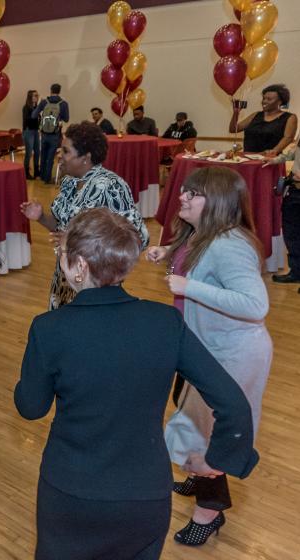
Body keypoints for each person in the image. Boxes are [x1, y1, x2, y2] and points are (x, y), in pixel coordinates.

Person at [16, 208, 258, 560]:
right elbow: (234, 404)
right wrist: (220, 459)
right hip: (145, 493)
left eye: (62, 254)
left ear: (80, 266)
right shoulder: (164, 322)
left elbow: (31, 407)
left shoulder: (49, 328)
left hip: (72, 492)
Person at [147, 166, 272, 545]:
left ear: (215, 201)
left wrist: (189, 286)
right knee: (190, 418)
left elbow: (255, 304)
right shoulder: (203, 234)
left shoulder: (229, 244)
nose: (181, 196)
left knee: (208, 436)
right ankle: (196, 474)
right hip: (200, 348)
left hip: (230, 354)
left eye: (192, 193)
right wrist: (167, 251)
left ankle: (209, 513)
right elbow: (193, 254)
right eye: (183, 190)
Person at [21, 122, 149, 310]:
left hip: (97, 281)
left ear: (85, 158)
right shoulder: (69, 182)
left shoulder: (110, 186)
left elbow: (138, 238)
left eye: (66, 151)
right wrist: (40, 217)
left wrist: (76, 241)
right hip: (66, 276)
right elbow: (61, 226)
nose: (60, 156)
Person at [265, 144, 300, 285]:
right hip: (294, 191)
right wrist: (273, 160)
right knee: (291, 234)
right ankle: (296, 272)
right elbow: (291, 154)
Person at [230, 83, 297, 155]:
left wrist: (273, 151)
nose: (264, 101)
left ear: (280, 102)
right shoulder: (255, 115)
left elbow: (288, 138)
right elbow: (233, 129)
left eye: (269, 99)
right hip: (248, 160)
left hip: (269, 161)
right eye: (264, 98)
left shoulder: (289, 118)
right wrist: (236, 113)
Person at [33, 84, 69, 184]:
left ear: (51, 90)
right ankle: (47, 178)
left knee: (43, 155)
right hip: (55, 134)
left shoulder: (44, 102)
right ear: (59, 91)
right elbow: (66, 119)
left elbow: (34, 115)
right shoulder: (63, 103)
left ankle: (42, 176)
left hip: (44, 133)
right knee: (50, 157)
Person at [22, 90, 40, 179]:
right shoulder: (26, 108)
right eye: (34, 95)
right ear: (30, 97)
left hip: (36, 131)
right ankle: (26, 173)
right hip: (28, 132)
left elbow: (37, 121)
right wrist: (36, 112)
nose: (36, 97)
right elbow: (28, 120)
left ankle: (37, 172)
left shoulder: (36, 107)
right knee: (28, 153)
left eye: (37, 95)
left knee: (37, 152)